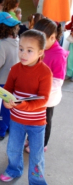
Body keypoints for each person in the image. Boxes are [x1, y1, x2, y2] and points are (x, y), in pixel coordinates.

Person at [0, 29, 52, 185]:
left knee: (36, 156)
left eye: (29, 50)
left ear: (40, 52)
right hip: (16, 120)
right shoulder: (15, 69)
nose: (23, 53)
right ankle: (14, 170)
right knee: (13, 149)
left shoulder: (45, 72)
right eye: (21, 48)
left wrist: (22, 105)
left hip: (37, 123)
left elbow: (43, 100)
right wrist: (5, 100)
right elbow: (7, 90)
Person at [24, 18, 69, 153]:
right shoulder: (42, 48)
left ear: (53, 37)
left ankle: (42, 144)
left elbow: (57, 82)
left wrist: (41, 89)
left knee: (44, 121)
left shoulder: (59, 55)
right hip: (35, 93)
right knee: (33, 119)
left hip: (48, 98)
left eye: (41, 38)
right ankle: (31, 138)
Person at [0, 12, 20, 140]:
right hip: (13, 82)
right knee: (9, 108)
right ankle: (7, 128)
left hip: (1, 83)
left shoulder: (3, 45)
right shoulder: (17, 41)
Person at [65, 15, 73, 82]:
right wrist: (65, 27)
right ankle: (69, 74)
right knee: (70, 57)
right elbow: (70, 25)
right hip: (72, 40)